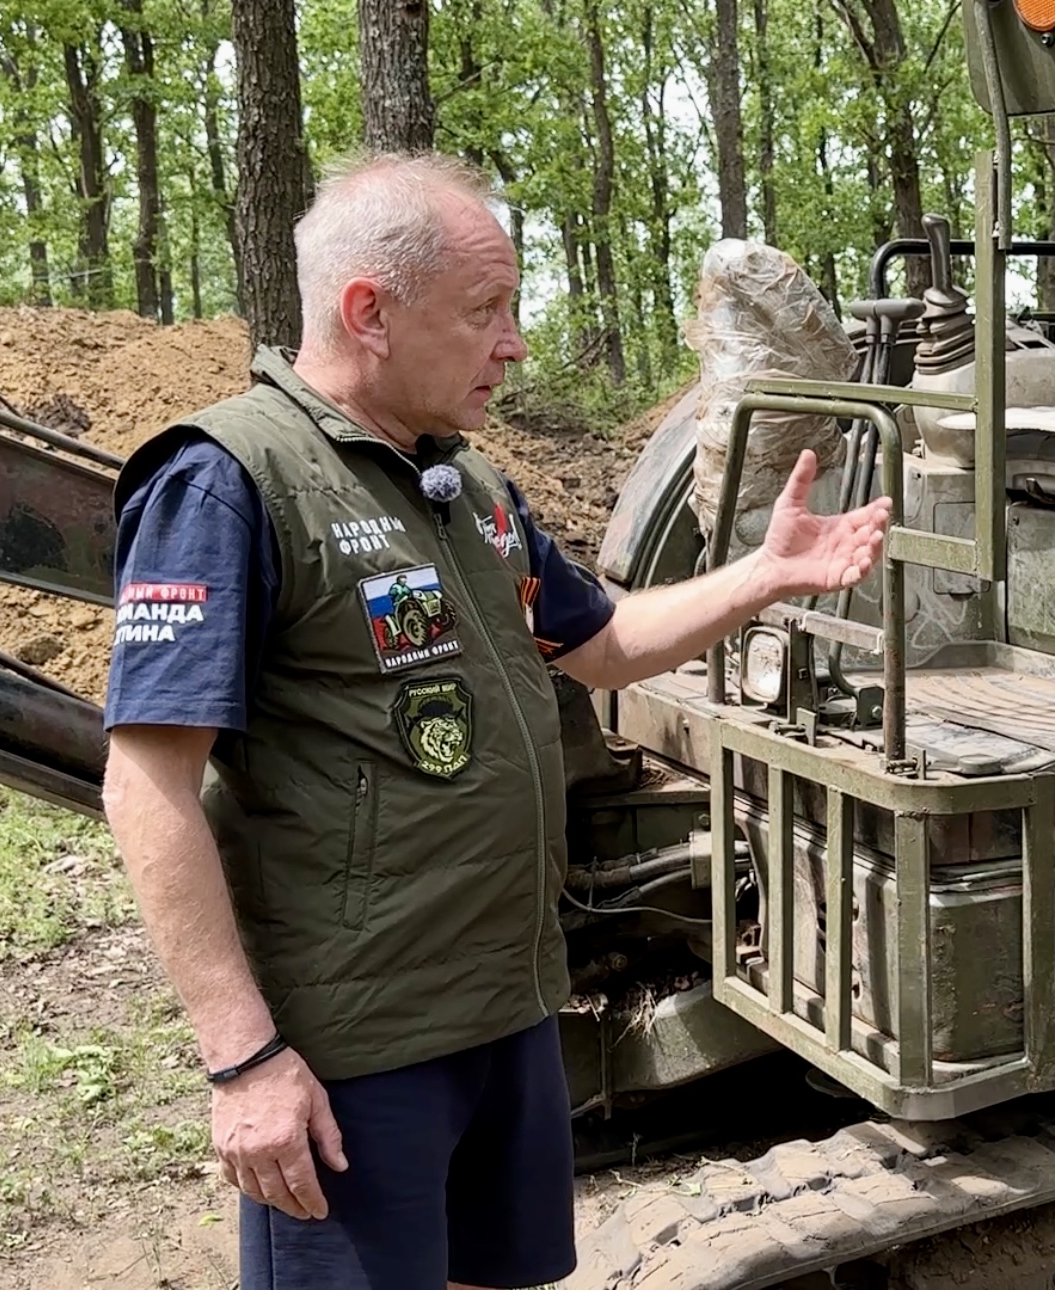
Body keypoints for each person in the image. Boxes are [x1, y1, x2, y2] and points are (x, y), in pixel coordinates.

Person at [100, 152, 890, 1290]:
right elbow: (147, 784)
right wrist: (243, 1060)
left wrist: (763, 577)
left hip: (506, 1010)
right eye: (486, 312)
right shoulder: (230, 480)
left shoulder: (463, 486)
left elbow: (605, 640)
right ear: (369, 311)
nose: (513, 343)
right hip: (358, 1050)